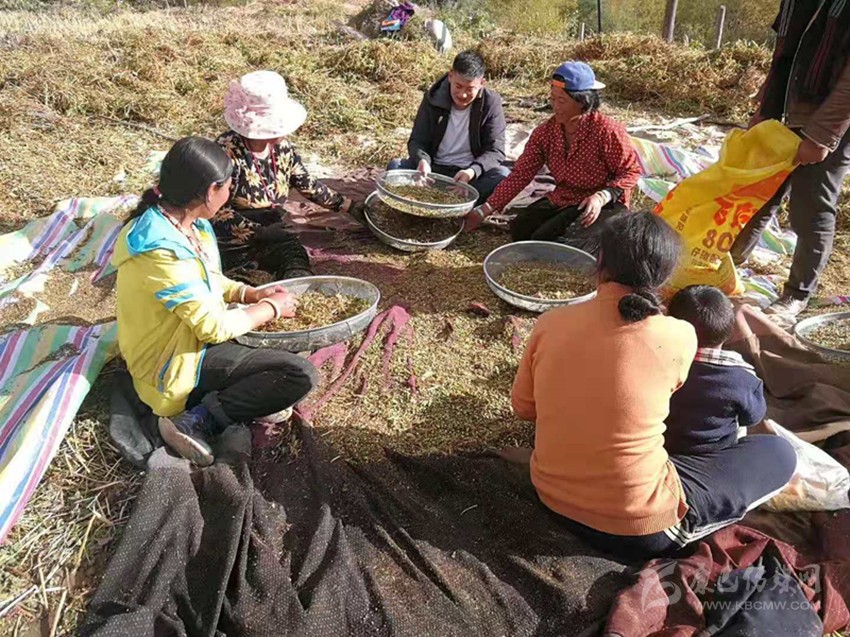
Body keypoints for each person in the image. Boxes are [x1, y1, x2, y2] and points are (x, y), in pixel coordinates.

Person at [511, 212, 796, 559]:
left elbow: (524, 408)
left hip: (550, 496)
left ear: (599, 261)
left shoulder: (550, 323)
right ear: (666, 276)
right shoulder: (679, 335)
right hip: (640, 529)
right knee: (779, 453)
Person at [113, 136, 318, 467]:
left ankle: (236, 396)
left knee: (291, 346)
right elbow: (212, 327)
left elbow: (208, 279)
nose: (231, 191)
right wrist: (271, 308)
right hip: (174, 360)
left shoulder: (193, 226)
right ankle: (195, 419)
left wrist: (249, 294)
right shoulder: (159, 250)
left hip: (191, 338)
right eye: (228, 185)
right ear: (211, 191)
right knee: (299, 374)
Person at [730, 0, 850, 318]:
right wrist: (764, 106)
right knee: (757, 192)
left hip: (828, 120)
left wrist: (822, 135)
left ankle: (797, 293)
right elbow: (785, 52)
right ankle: (727, 264)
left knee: (810, 207)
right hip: (785, 109)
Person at [465, 61, 641, 257]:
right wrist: (484, 210)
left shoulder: (607, 131)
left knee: (553, 244)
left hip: (604, 203)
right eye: (553, 98)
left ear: (582, 102)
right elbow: (520, 174)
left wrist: (601, 197)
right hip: (567, 196)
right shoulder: (546, 133)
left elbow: (631, 171)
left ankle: (611, 240)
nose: (555, 106)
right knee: (521, 229)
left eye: (562, 101)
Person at [215, 70, 364, 281]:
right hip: (234, 239)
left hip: (274, 228)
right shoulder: (227, 152)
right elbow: (216, 211)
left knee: (295, 257)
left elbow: (305, 181)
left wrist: (348, 206)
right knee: (243, 279)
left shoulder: (281, 148)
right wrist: (259, 232)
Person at [387, 50, 510, 204]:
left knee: (502, 176)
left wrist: (472, 171)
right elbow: (417, 140)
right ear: (450, 75)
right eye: (458, 86)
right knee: (395, 167)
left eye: (470, 89)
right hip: (433, 171)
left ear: (481, 83)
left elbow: (496, 150)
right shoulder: (433, 98)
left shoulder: (491, 103)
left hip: (467, 175)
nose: (462, 95)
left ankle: (458, 203)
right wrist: (422, 161)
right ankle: (446, 201)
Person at [665, 285, 767, 455]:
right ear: (730, 331)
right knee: (780, 449)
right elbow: (752, 418)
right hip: (717, 453)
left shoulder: (659, 364)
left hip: (663, 447)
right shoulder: (744, 377)